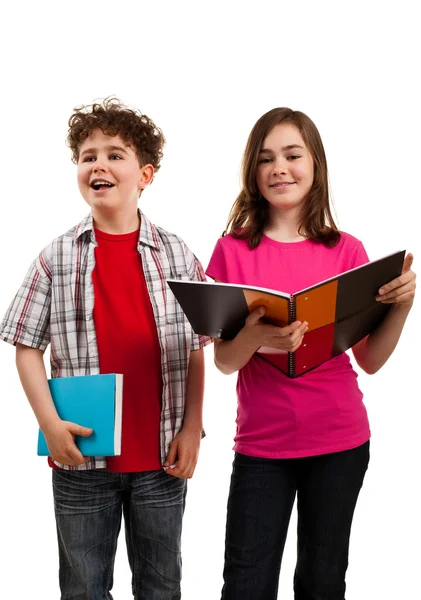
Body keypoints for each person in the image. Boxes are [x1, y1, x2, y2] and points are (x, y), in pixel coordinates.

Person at [0, 97, 211, 600]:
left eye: (115, 154)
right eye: (87, 155)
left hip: (161, 457)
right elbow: (26, 346)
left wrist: (192, 429)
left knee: (162, 586)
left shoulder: (178, 252)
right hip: (81, 459)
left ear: (146, 174)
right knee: (83, 588)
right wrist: (50, 425)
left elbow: (197, 345)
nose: (99, 163)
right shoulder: (55, 257)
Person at [206, 107, 416, 600]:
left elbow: (369, 360)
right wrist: (257, 338)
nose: (280, 168)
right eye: (266, 159)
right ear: (252, 174)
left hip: (340, 442)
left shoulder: (347, 251)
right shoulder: (231, 252)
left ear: (315, 164)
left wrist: (402, 309)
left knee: (322, 583)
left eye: (292, 155)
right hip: (261, 446)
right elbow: (223, 361)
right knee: (245, 584)